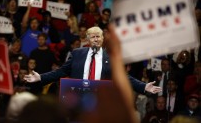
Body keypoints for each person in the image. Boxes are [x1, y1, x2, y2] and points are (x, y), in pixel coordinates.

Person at [24, 26, 162, 94]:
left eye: (98, 36)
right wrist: (40, 78)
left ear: (102, 39)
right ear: (88, 39)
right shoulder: (77, 53)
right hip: (77, 97)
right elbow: (61, 71)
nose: (96, 39)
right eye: (93, 37)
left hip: (100, 99)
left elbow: (124, 77)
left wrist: (143, 86)